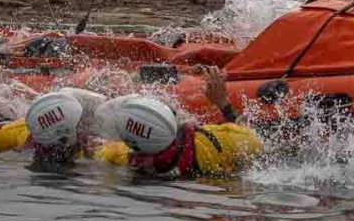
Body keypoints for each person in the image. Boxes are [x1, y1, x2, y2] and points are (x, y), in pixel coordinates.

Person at [101, 67, 264, 178]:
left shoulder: (119, 156)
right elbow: (254, 142)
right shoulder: (214, 142)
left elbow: (90, 150)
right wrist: (223, 104)